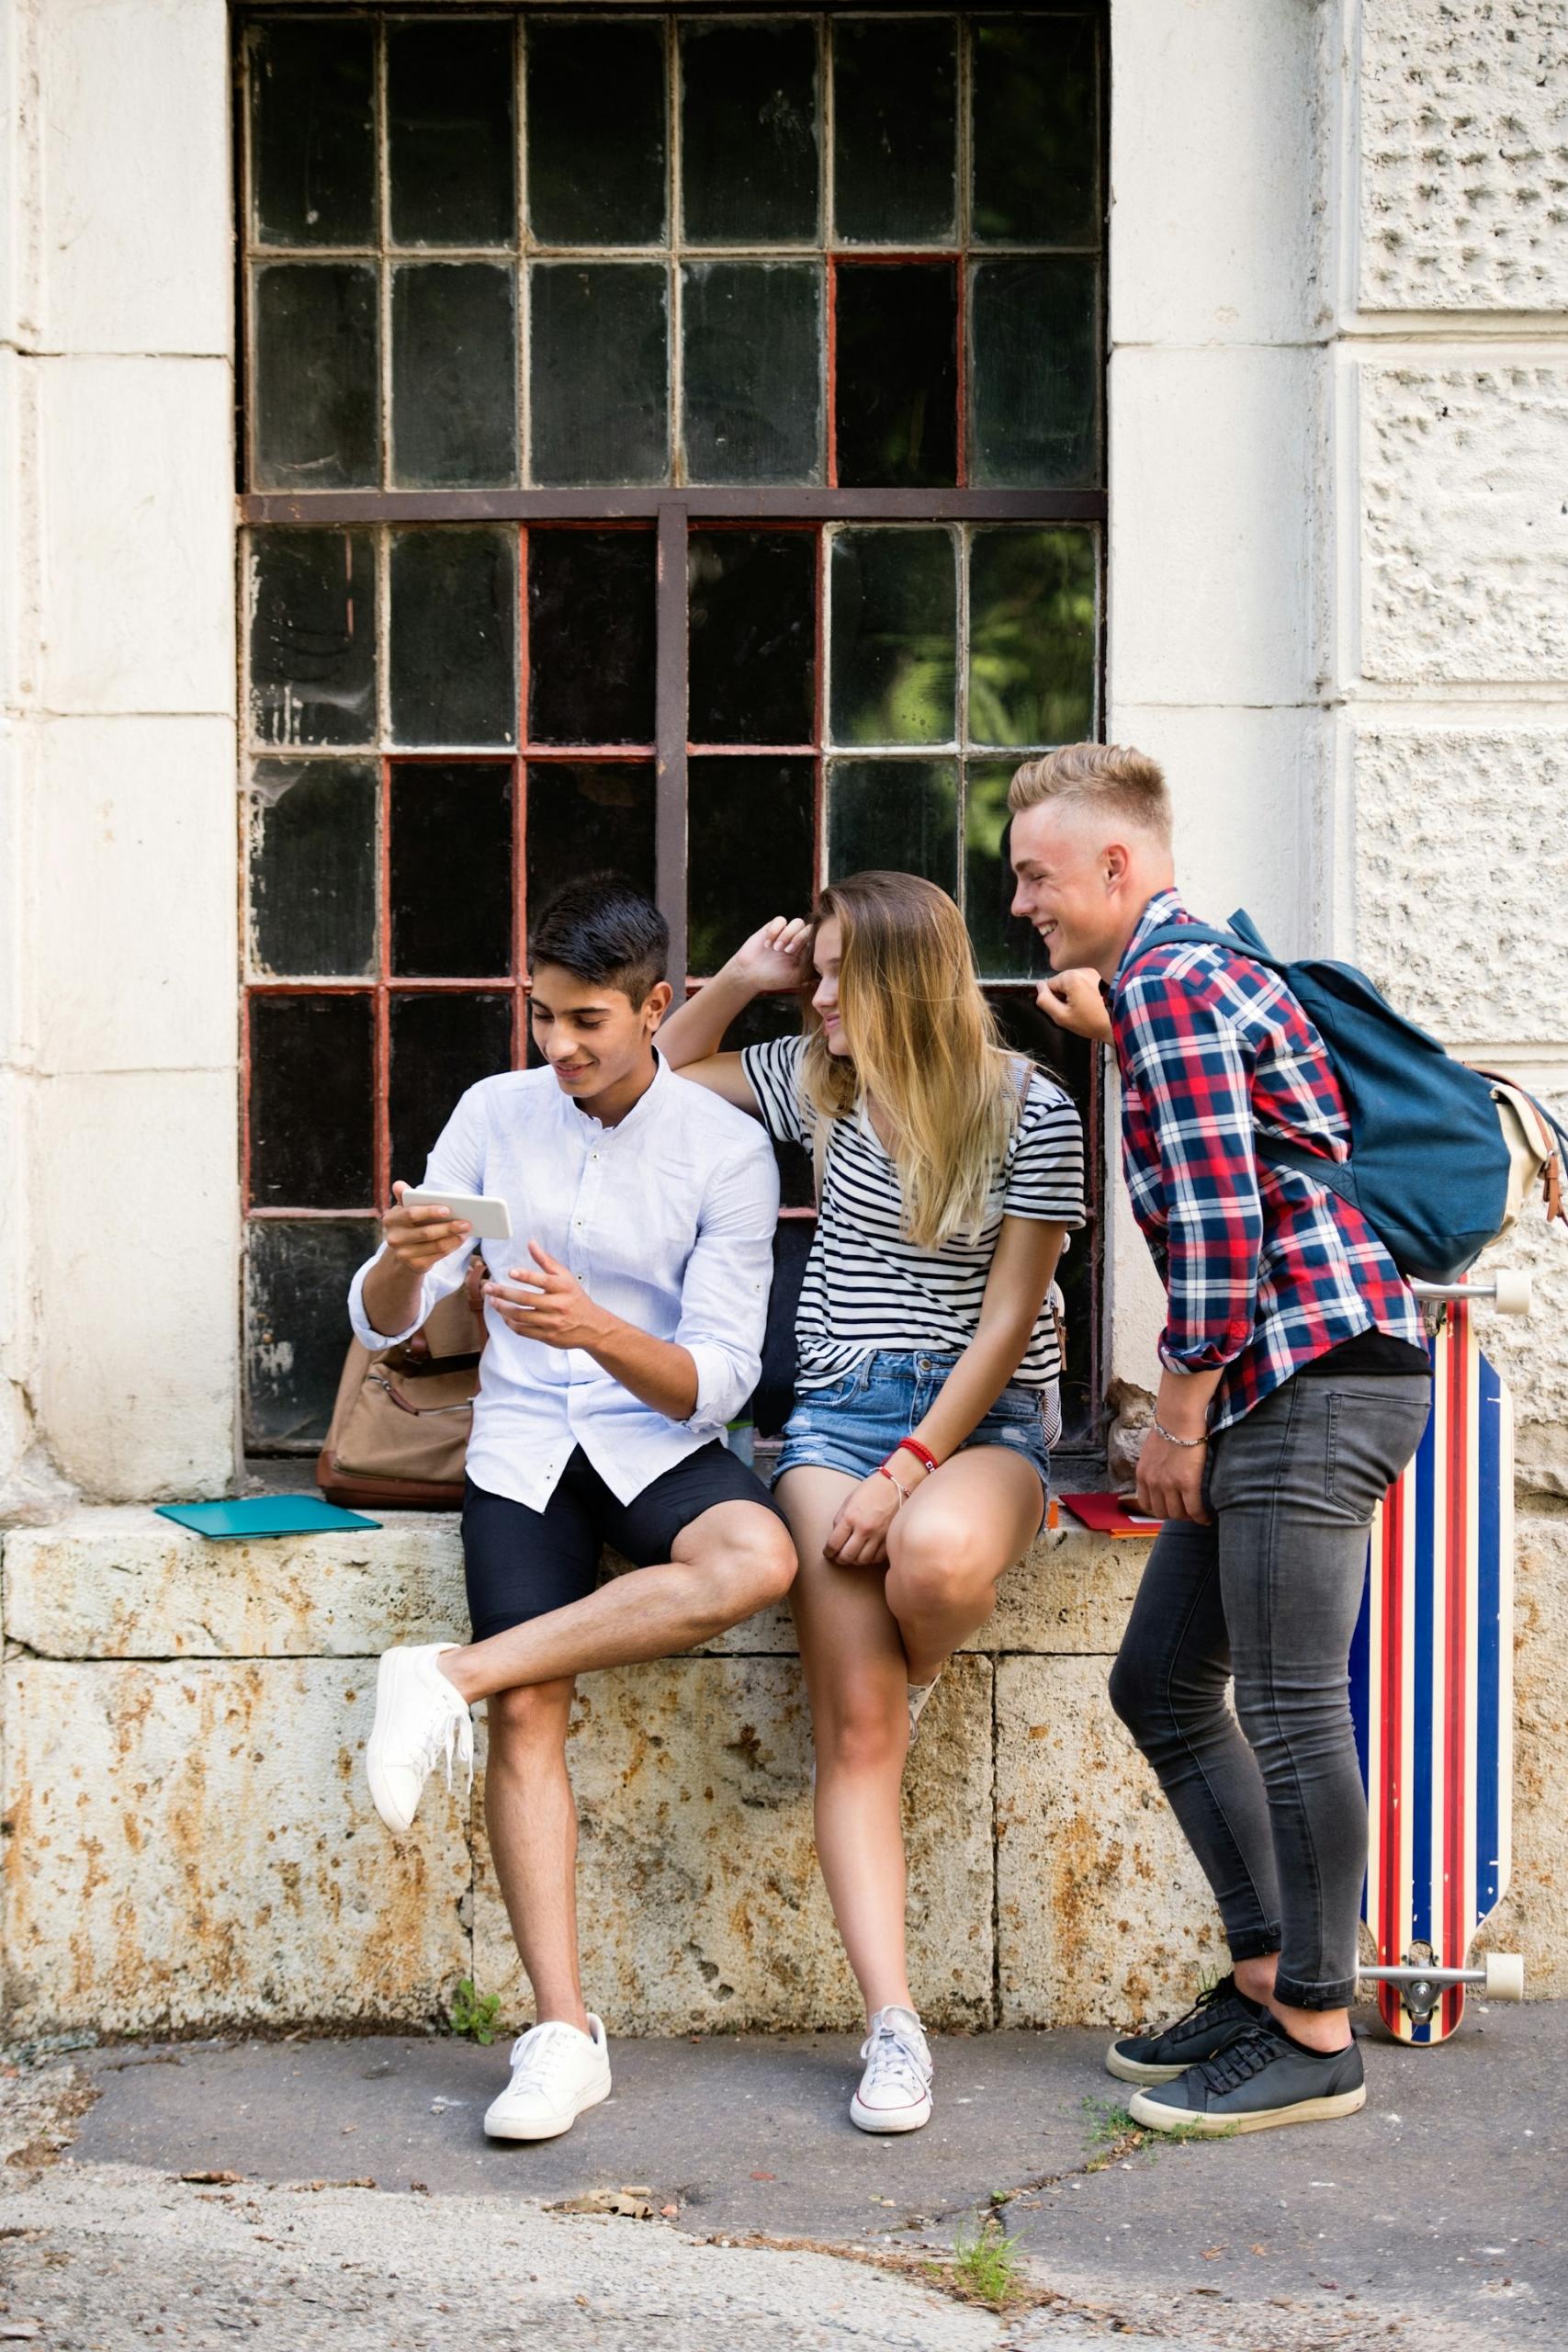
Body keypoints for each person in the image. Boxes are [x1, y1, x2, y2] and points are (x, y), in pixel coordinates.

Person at [1010, 742, 1431, 2135]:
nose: (1022, 904)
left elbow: (1217, 1230)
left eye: (1039, 876)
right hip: (1291, 1379)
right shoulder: (1173, 986)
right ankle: (1264, 1976)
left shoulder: (1175, 987)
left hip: (1307, 1383)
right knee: (1163, 1684)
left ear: (1118, 868)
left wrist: (1172, 1418)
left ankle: (1318, 2025)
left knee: (1297, 1706)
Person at [350, 876, 796, 2143]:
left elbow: (721, 1376)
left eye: (588, 1020)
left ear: (660, 1006)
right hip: (524, 1444)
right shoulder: (497, 1113)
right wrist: (401, 1254)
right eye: (542, 1015)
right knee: (532, 1710)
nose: (559, 1048)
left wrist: (594, 1329)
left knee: (754, 1557)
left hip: (660, 1439)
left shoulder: (726, 1150)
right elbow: (387, 1317)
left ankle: (446, 1674)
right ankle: (560, 2032)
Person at [659, 871, 1085, 2135]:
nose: (823, 996)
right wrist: (742, 982)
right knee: (857, 1731)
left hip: (981, 1425)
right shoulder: (819, 1080)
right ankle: (893, 2027)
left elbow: (1009, 1322)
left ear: (906, 977)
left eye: (841, 974)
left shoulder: (1032, 1108)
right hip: (831, 1419)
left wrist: (910, 1472)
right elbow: (662, 1083)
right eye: (819, 975)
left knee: (938, 1564)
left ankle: (919, 1649)